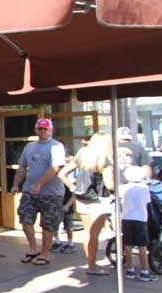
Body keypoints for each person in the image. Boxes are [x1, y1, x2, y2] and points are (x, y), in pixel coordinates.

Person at [11, 118, 67, 266]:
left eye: (45, 129)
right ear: (36, 130)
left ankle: (45, 253)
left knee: (48, 224)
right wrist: (16, 184)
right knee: (25, 218)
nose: (42, 131)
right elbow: (22, 166)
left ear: (51, 130)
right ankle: (33, 249)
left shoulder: (56, 146)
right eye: (40, 129)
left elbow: (55, 168)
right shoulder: (29, 147)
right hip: (29, 190)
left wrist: (39, 184)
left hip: (51, 193)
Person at [59, 132, 115, 275]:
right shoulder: (105, 159)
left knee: (87, 232)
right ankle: (92, 265)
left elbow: (62, 173)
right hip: (99, 199)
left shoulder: (82, 154)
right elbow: (109, 185)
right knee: (94, 234)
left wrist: (72, 187)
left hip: (82, 197)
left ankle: (90, 263)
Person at [120, 164, 157, 282]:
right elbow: (147, 203)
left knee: (128, 245)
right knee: (142, 246)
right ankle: (144, 271)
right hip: (141, 218)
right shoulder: (144, 188)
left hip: (126, 217)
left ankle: (130, 269)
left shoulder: (122, 188)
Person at [52, 180, 77, 254]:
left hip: (67, 208)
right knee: (54, 225)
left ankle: (70, 243)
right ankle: (57, 242)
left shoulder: (68, 185)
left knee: (68, 226)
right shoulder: (55, 185)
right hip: (57, 207)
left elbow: (74, 196)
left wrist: (67, 205)